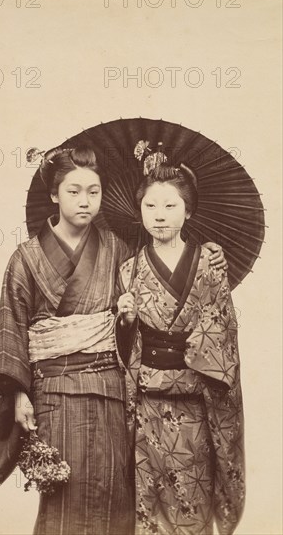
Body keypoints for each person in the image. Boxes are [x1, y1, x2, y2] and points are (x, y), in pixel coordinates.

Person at [0, 146, 226, 535]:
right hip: (55, 392)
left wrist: (211, 255)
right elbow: (11, 324)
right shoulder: (26, 258)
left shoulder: (118, 250)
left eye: (93, 192)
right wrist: (17, 394)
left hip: (112, 388)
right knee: (64, 494)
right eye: (74, 191)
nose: (85, 201)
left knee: (117, 492)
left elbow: (151, 311)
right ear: (54, 194)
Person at [117, 161, 245, 535]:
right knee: (149, 503)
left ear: (188, 210)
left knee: (192, 501)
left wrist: (193, 350)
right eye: (150, 207)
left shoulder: (210, 262)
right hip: (147, 402)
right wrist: (125, 322)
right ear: (138, 210)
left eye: (170, 206)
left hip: (195, 400)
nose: (159, 216)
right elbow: (125, 346)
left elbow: (224, 330)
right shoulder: (129, 270)